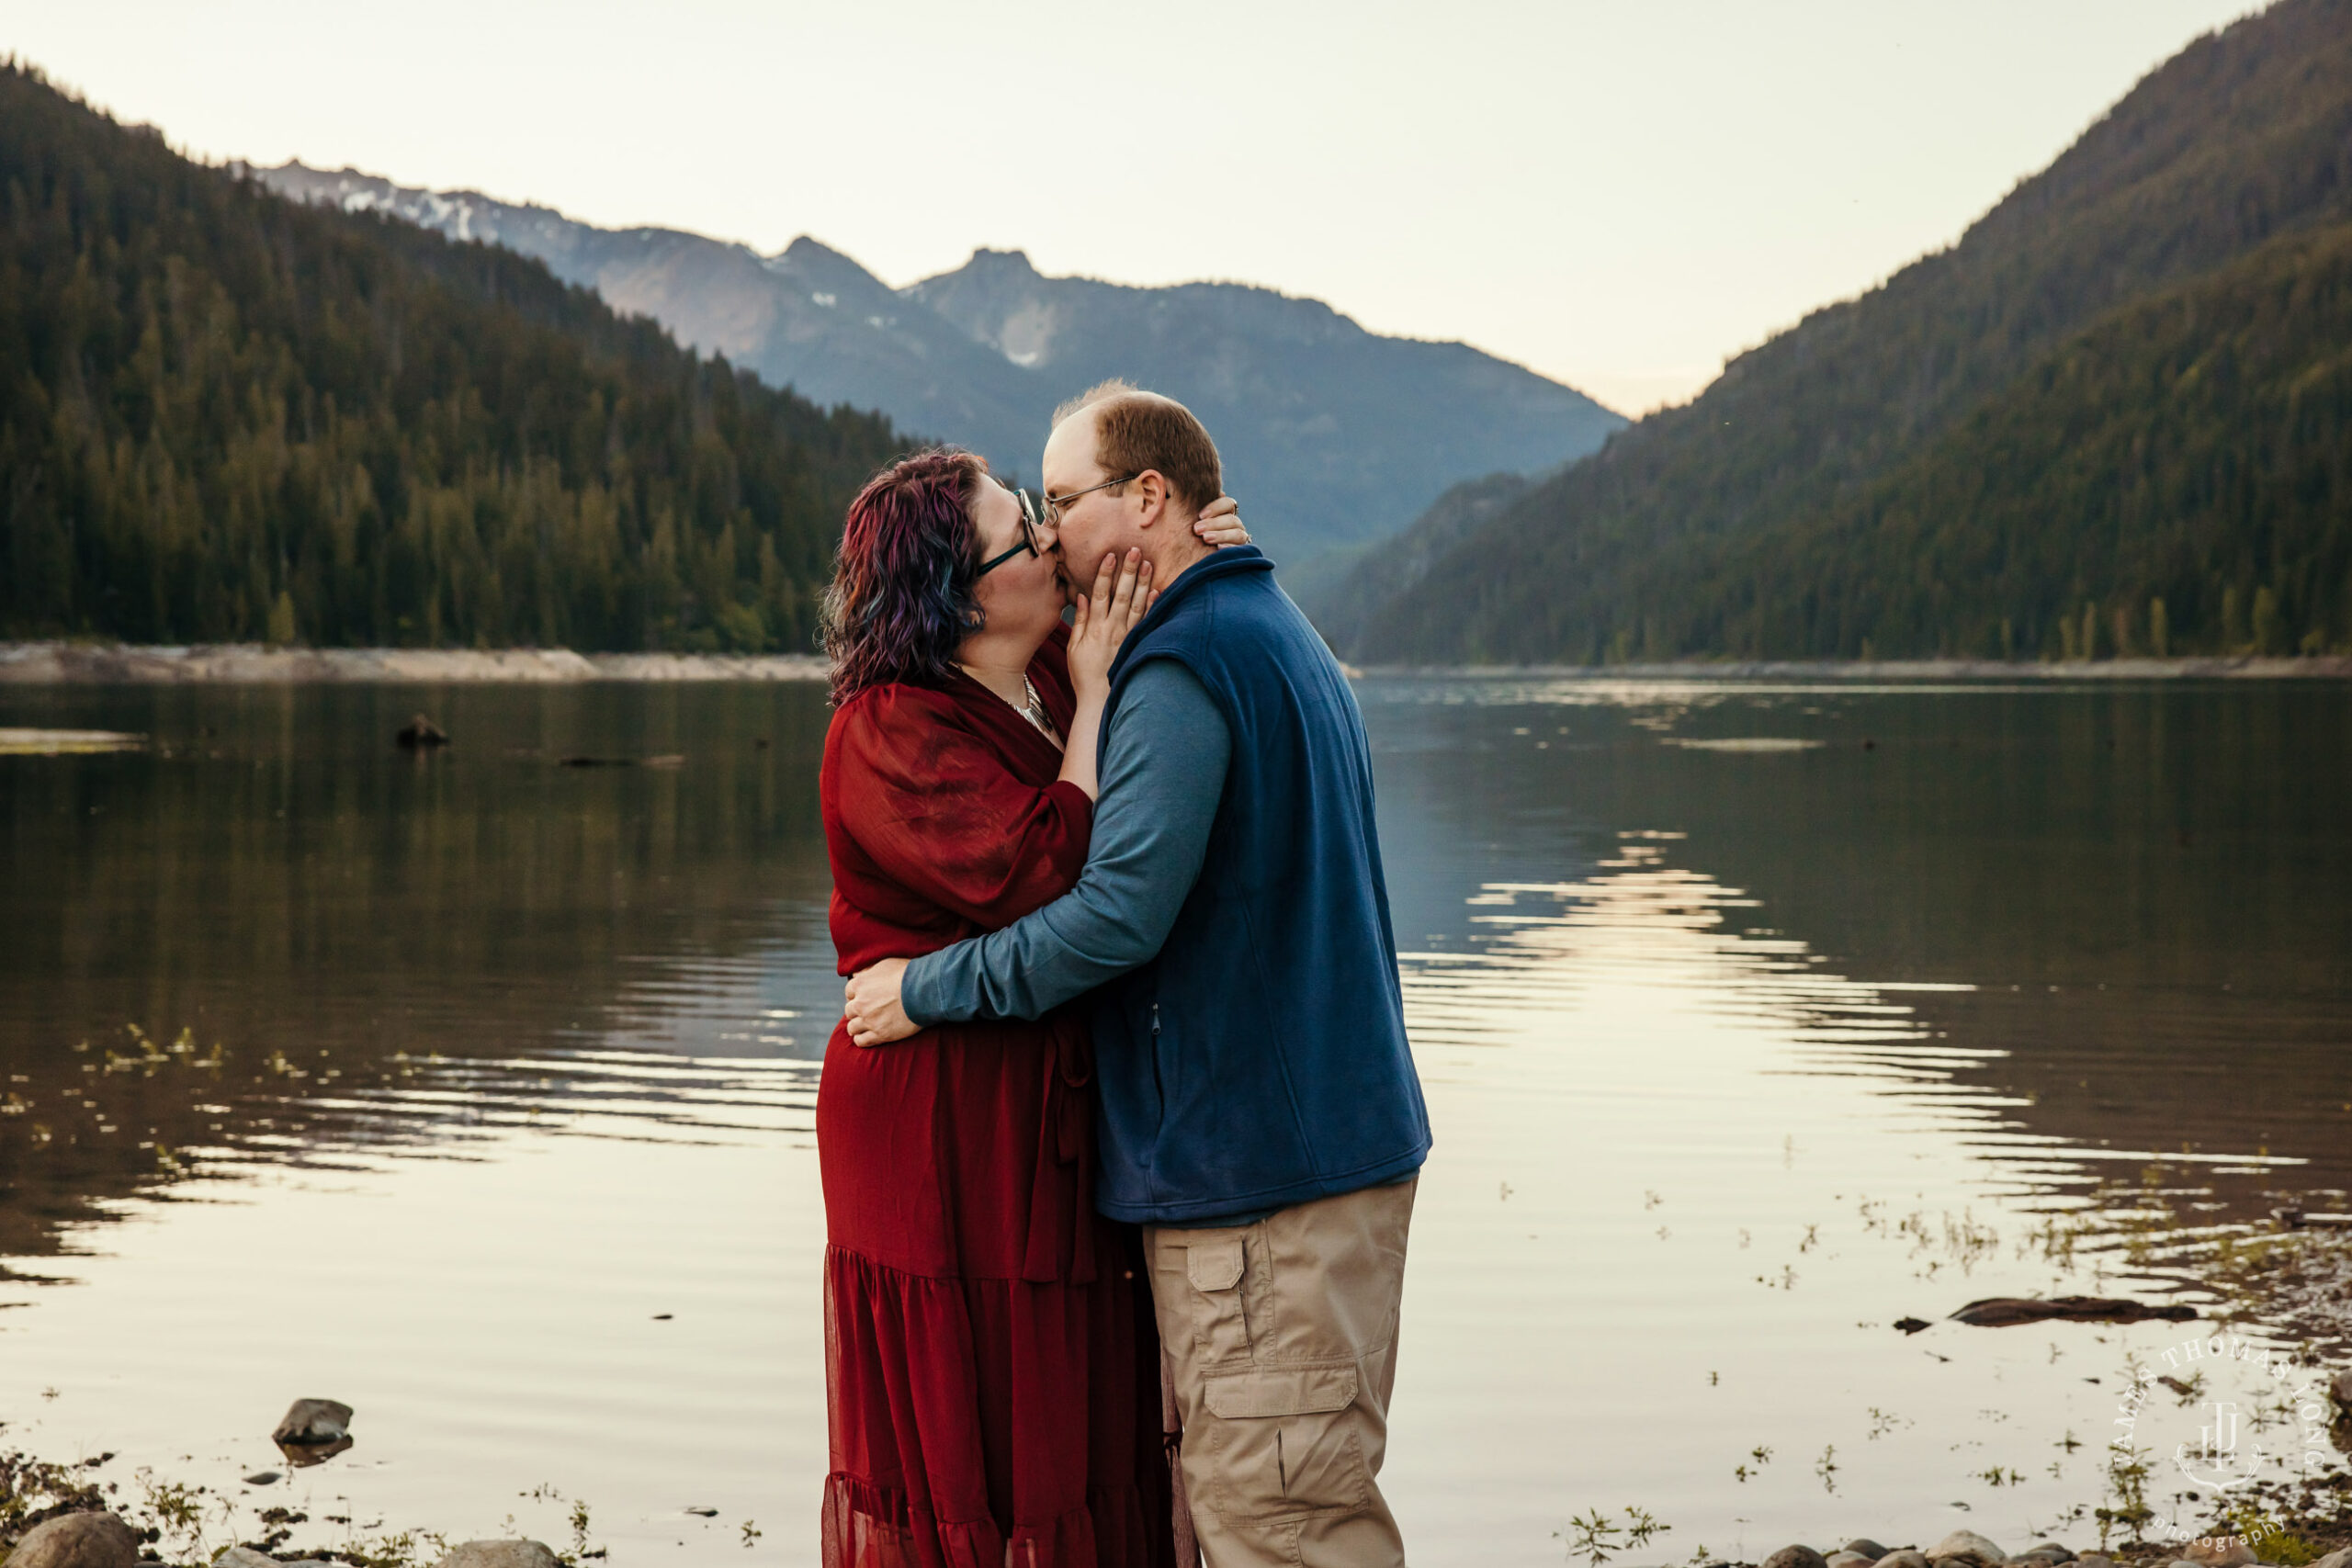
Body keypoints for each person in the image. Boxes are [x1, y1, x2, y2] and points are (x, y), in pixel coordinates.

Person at [844, 383, 1433, 1568]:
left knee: (1280, 1523)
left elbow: (1111, 918)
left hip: (1262, 1180)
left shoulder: (1175, 670)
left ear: (1148, 497)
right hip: (1311, 1156)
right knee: (1292, 1498)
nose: (1050, 534)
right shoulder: (1270, 625)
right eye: (1036, 515)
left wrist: (923, 989)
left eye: (1057, 503)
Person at [813, 445, 1249, 1568]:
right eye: (1024, 532)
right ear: (960, 594)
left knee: (1075, 1395)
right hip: (937, 1112)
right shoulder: (888, 727)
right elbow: (1048, 870)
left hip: (1040, 1094)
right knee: (979, 1415)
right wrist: (1099, 694)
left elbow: (1161, 610)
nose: (1051, 541)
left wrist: (1210, 552)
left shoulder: (1047, 665)